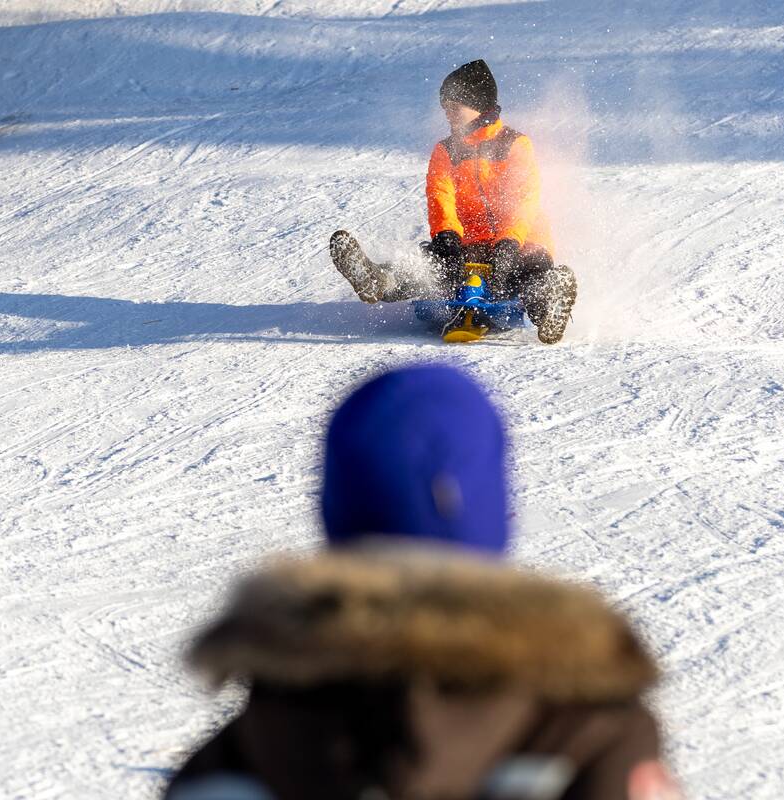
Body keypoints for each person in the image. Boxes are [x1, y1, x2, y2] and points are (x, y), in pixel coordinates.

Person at [164, 365, 681, 800]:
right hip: (462, 264)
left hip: (505, 268)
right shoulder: (591, 735)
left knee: (519, 261)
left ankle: (534, 290)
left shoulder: (235, 762)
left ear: (334, 511)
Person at [331, 61, 579, 344]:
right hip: (466, 244)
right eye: (445, 107)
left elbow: (524, 198)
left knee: (527, 275)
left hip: (520, 242)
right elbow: (440, 194)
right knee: (432, 269)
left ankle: (549, 299)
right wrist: (446, 237)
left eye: (453, 105)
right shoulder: (446, 150)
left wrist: (509, 243)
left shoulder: (514, 144)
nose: (447, 113)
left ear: (477, 104)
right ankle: (380, 280)